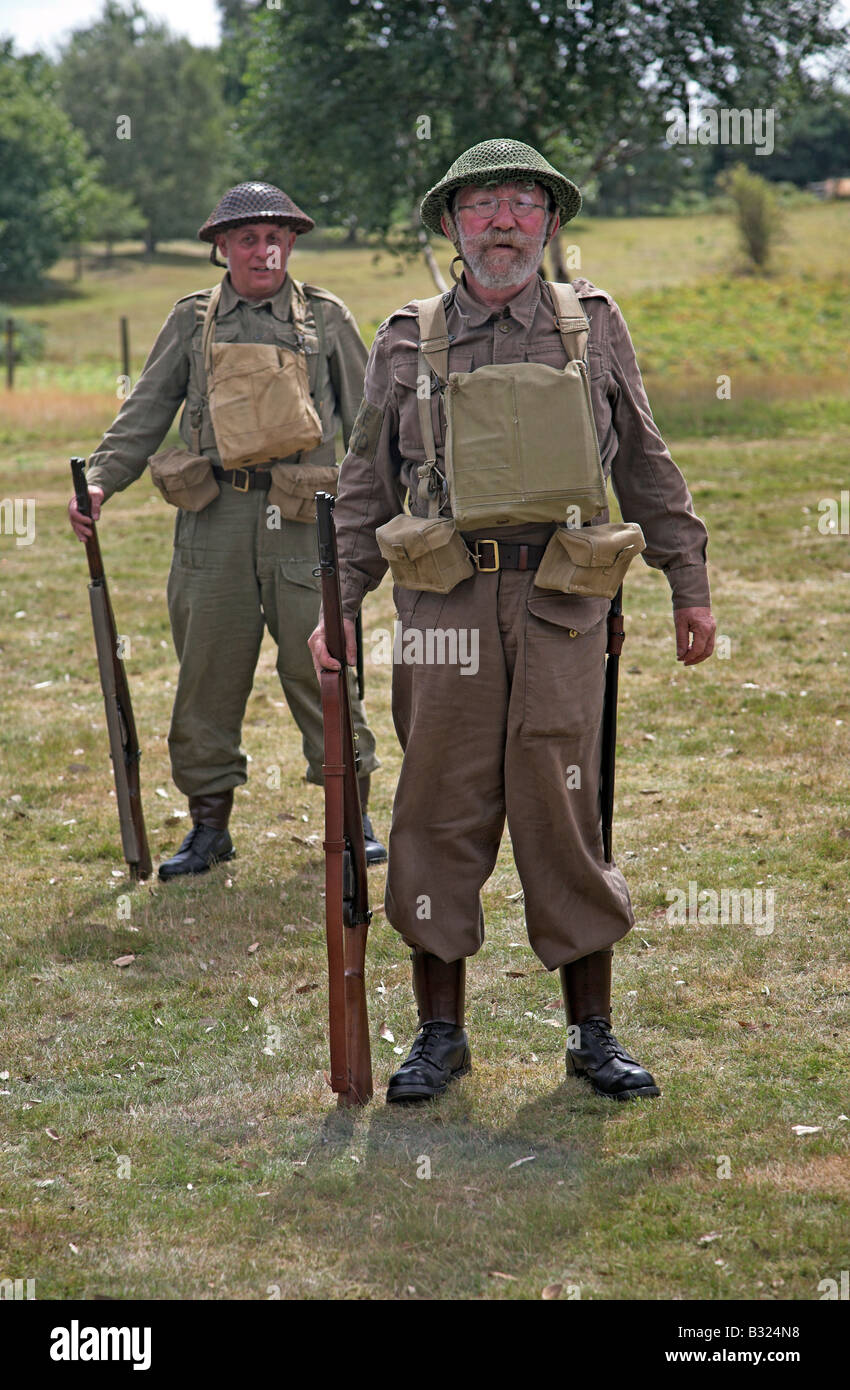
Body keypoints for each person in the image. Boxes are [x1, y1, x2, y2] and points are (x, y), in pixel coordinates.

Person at [309, 140, 715, 1103]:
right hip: (443, 605)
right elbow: (365, 483)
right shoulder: (405, 339)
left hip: (563, 607)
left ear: (552, 223)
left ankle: (592, 1035)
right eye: (482, 204)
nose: (503, 222)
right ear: (450, 225)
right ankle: (439, 1036)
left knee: (564, 810)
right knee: (437, 809)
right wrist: (340, 604)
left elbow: (647, 465)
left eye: (523, 204)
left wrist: (687, 580)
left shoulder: (594, 327)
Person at [69, 181, 385, 880]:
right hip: (213, 520)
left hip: (306, 521)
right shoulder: (191, 322)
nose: (263, 249)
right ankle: (209, 829)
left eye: (275, 237)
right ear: (221, 247)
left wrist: (383, 508)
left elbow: (371, 423)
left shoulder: (328, 319)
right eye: (247, 238)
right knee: (207, 674)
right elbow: (146, 411)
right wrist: (99, 481)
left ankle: (350, 817)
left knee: (323, 667)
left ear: (292, 243)